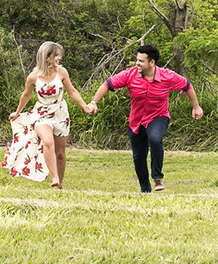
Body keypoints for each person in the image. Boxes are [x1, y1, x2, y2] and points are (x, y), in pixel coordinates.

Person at [87, 43, 203, 193]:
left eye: (141, 61)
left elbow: (187, 85)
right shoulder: (130, 74)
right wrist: (94, 102)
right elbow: (108, 84)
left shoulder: (167, 76)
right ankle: (145, 190)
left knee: (155, 138)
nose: (137, 63)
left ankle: (157, 178)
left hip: (158, 117)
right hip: (136, 121)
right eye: (137, 60)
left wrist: (196, 106)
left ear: (152, 62)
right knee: (139, 157)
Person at [2, 41, 95, 189]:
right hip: (42, 113)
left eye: (59, 55)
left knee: (60, 154)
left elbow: (72, 91)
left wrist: (84, 106)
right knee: (47, 141)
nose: (59, 58)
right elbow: (26, 95)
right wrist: (17, 112)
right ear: (46, 57)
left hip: (60, 113)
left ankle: (60, 185)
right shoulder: (33, 77)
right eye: (56, 55)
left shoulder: (62, 72)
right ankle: (54, 177)